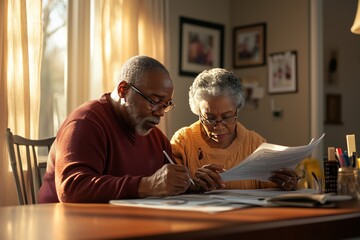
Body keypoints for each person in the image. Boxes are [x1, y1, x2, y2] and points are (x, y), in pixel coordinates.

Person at [38, 55, 192, 203]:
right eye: (154, 101)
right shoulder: (85, 122)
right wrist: (147, 185)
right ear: (123, 90)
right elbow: (71, 189)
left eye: (166, 105)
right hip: (63, 222)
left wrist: (190, 184)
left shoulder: (157, 139)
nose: (160, 112)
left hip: (121, 221)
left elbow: (164, 184)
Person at [170, 68, 298, 192]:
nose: (219, 127)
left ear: (237, 109)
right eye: (210, 118)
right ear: (198, 112)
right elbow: (168, 188)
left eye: (227, 117)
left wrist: (287, 184)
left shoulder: (255, 144)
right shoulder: (183, 141)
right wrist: (192, 186)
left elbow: (274, 190)